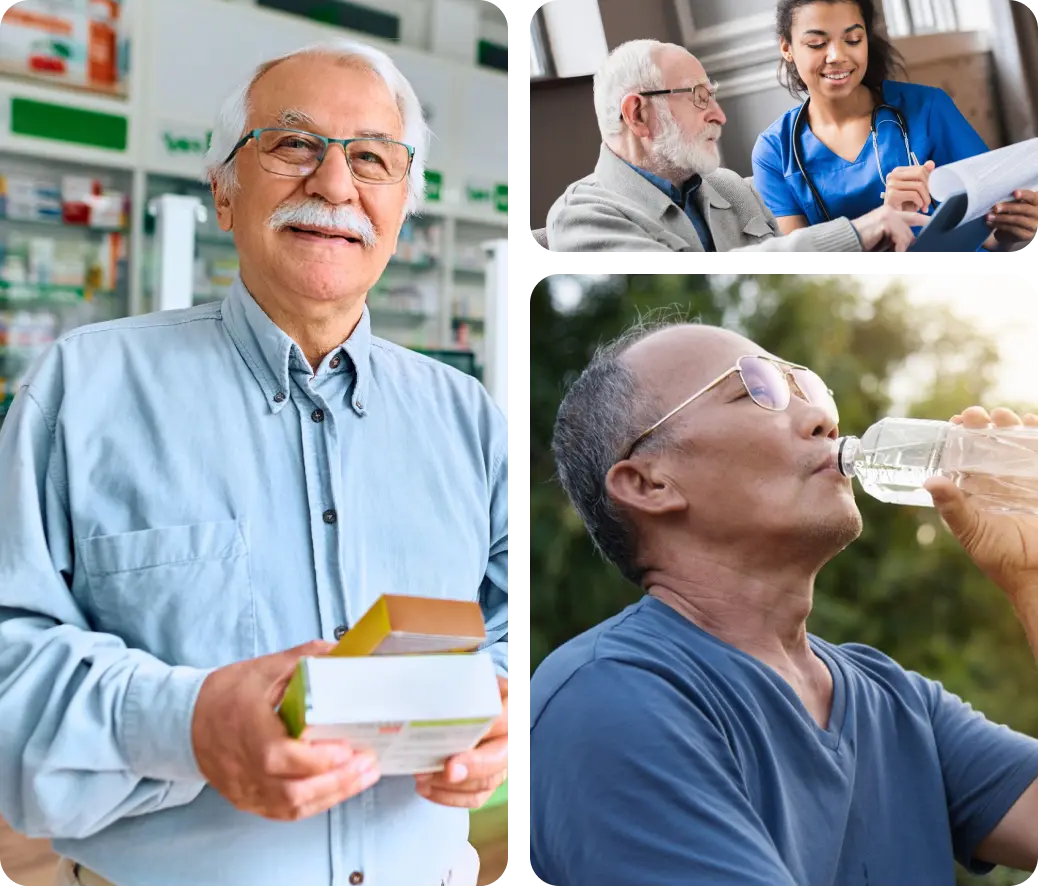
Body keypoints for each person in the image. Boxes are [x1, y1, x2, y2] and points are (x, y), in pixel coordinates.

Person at [0, 37, 510, 887]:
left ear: (403, 206)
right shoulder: (82, 390)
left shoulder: (469, 419)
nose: (335, 184)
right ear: (223, 191)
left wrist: (494, 711)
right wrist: (187, 723)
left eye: (372, 158)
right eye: (294, 144)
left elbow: (510, 630)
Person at [530, 320, 1038, 886]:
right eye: (757, 388)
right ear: (651, 484)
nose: (824, 419)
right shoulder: (610, 700)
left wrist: (1032, 579)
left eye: (810, 388)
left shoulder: (895, 700)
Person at [545, 39, 930, 256]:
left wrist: (887, 232)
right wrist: (857, 231)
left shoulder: (733, 188)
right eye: (699, 97)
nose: (719, 115)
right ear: (638, 114)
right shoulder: (582, 218)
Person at [752, 0, 1038, 251]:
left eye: (853, 39)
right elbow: (800, 262)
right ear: (787, 48)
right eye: (817, 43)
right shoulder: (774, 151)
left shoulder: (928, 108)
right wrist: (878, 223)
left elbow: (988, 231)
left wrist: (1007, 232)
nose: (837, 55)